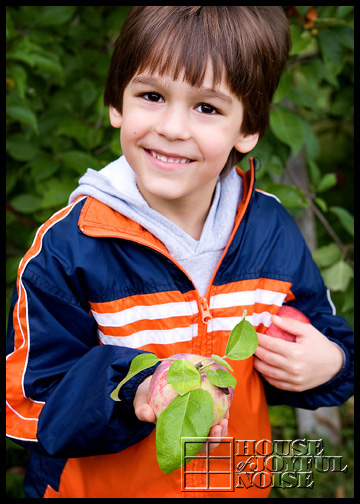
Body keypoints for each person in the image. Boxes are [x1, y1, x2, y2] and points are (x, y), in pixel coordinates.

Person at [6, 6, 353, 499]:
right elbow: (26, 401)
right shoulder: (69, 248)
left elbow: (314, 334)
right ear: (116, 104)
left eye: (207, 108)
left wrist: (333, 362)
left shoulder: (269, 233)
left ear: (248, 129)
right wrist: (137, 390)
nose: (172, 126)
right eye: (152, 96)